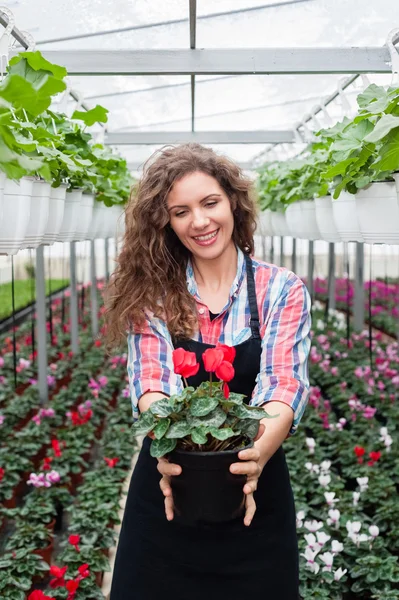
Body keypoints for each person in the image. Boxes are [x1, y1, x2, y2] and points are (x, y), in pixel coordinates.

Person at [106, 143, 311, 600]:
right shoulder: (154, 294)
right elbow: (152, 384)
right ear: (167, 223)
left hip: (256, 489)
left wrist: (251, 459)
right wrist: (177, 455)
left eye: (210, 203)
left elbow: (283, 385)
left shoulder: (281, 289)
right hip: (168, 485)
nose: (199, 222)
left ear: (233, 203)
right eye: (181, 211)